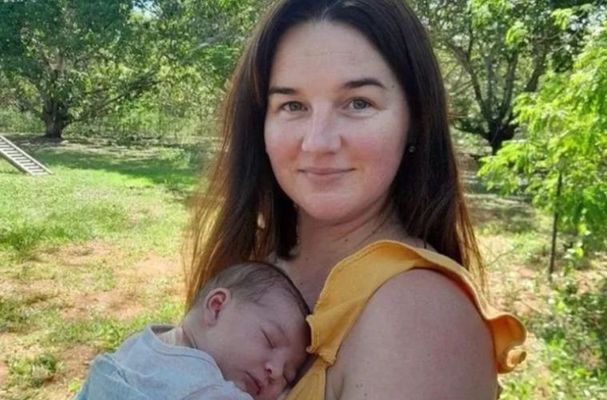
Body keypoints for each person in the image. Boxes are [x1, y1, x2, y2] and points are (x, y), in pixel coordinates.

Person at [185, 0, 527, 398]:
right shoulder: (260, 270)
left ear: (415, 119)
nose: (318, 142)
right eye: (293, 105)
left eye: (358, 103)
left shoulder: (415, 320)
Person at [75, 262, 309, 400]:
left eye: (288, 376)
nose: (276, 372)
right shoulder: (208, 387)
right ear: (216, 308)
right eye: (269, 339)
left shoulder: (142, 342)